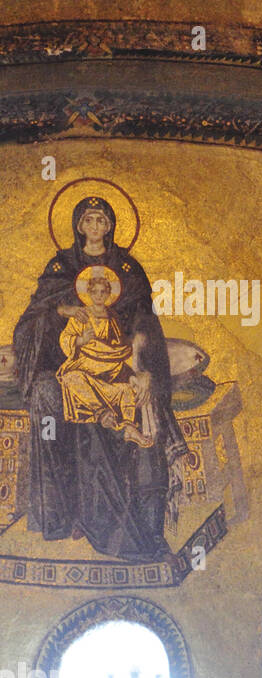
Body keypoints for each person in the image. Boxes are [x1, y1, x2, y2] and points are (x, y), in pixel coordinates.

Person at [12, 195, 187, 561]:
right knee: (47, 395)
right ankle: (61, 512)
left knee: (143, 405)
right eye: (88, 220)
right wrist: (63, 310)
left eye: (101, 220)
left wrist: (143, 363)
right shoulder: (60, 267)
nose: (94, 226)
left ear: (110, 226)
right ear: (79, 226)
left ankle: (148, 527)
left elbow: (144, 321)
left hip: (120, 364)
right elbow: (32, 321)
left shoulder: (127, 267)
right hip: (71, 365)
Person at [56, 267, 152, 448]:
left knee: (125, 390)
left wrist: (131, 373)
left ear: (108, 294)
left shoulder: (112, 318)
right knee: (71, 378)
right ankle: (101, 412)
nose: (99, 296)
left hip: (110, 369)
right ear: (89, 293)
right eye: (95, 292)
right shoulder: (81, 315)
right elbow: (65, 337)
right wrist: (80, 340)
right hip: (86, 366)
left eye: (103, 292)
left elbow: (121, 348)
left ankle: (130, 427)